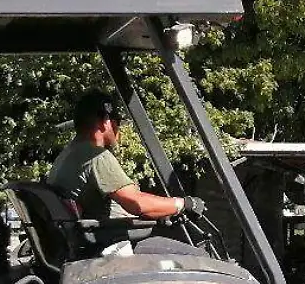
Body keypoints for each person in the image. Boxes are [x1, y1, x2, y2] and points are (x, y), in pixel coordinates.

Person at [46, 92, 197, 221]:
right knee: (192, 254)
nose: (119, 129)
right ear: (105, 122)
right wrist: (184, 204)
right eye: (116, 121)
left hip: (91, 239)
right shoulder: (96, 157)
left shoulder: (68, 154)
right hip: (111, 244)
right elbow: (136, 203)